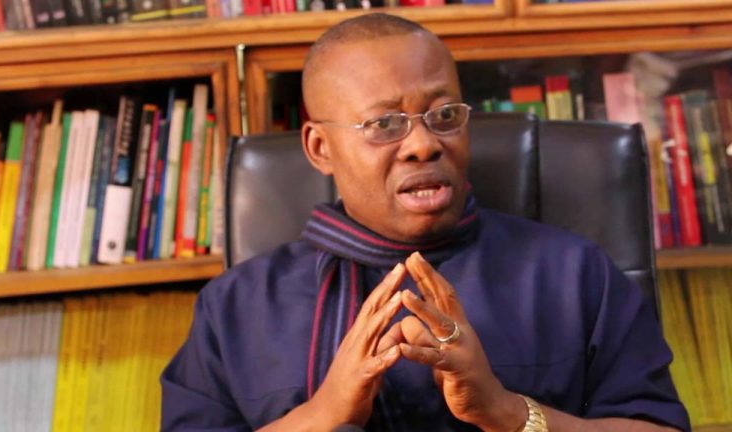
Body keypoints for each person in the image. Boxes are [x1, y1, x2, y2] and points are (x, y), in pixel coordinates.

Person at [161, 13, 690, 432]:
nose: (422, 144)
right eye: (384, 124)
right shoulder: (234, 308)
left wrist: (507, 412)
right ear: (320, 147)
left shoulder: (574, 274)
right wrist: (323, 414)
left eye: (444, 116)